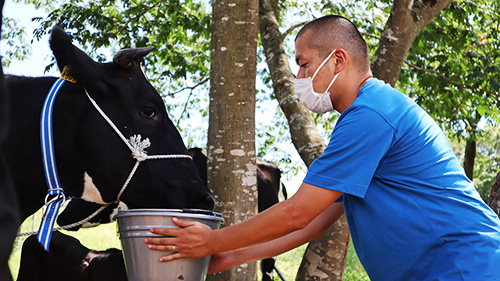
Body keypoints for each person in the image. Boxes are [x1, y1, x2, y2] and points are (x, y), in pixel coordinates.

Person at [144, 15, 500, 280]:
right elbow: (311, 226)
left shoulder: (371, 115)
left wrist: (212, 241)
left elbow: (296, 212)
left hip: (464, 267)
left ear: (338, 60)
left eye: (303, 64)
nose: (299, 78)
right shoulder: (365, 118)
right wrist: (228, 256)